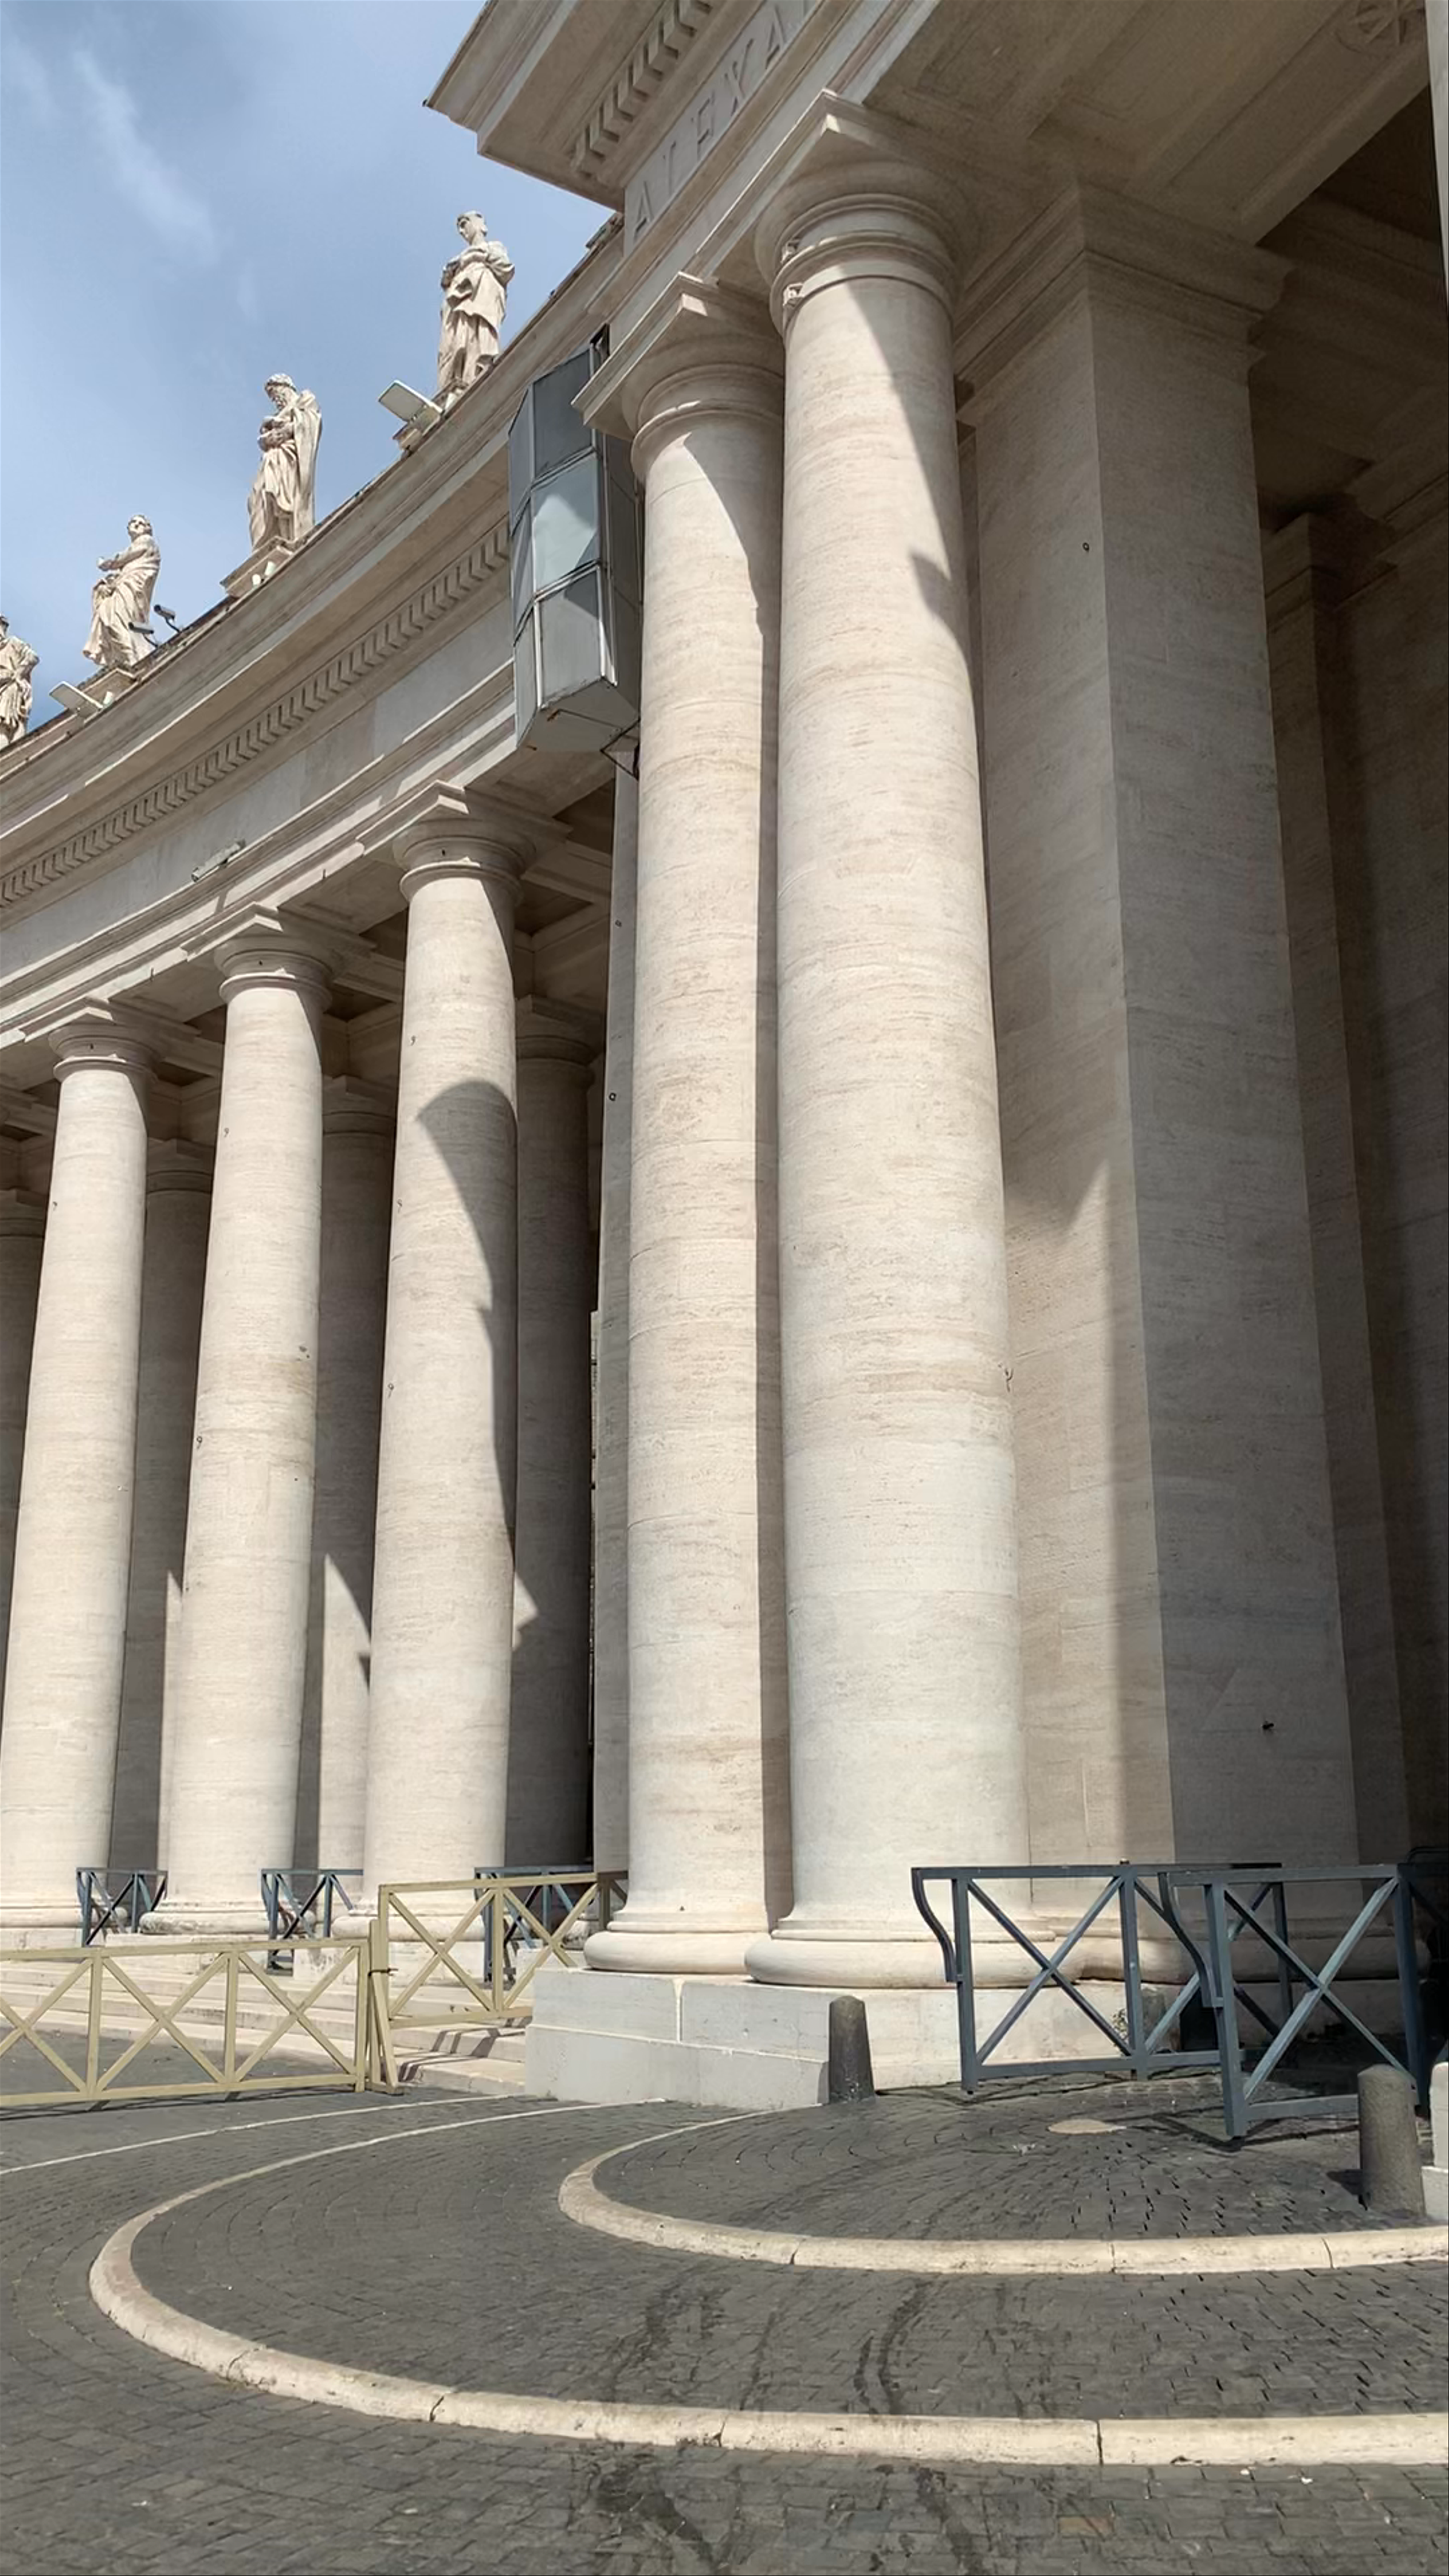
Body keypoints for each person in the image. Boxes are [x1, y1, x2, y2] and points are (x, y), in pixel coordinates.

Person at [437, 213, 514, 405]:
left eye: (466, 223)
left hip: (482, 297)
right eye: (460, 228)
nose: (463, 230)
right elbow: (445, 282)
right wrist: (452, 271)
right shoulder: (458, 259)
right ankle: (453, 385)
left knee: (479, 337)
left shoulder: (494, 247)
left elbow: (506, 269)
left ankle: (474, 377)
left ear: (482, 225)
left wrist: (480, 256)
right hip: (458, 304)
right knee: (454, 344)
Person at [247, 376, 322, 552]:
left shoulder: (305, 399)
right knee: (258, 498)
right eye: (272, 397)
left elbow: (311, 422)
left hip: (289, 460)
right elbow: (263, 440)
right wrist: (267, 438)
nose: (275, 400)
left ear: (285, 387)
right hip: (272, 460)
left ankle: (290, 539)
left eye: (276, 393)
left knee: (287, 498)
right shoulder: (273, 418)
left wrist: (287, 430)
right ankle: (267, 547)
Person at [82, 518, 160, 672]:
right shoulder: (130, 562)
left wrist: (109, 564)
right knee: (110, 617)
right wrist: (108, 584)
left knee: (119, 620)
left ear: (148, 528)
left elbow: (128, 556)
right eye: (133, 523)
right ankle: (128, 656)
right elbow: (123, 570)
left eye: (141, 523)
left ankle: (134, 657)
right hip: (125, 585)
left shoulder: (147, 541)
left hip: (133, 587)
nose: (136, 525)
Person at [0, 616, 38, 748]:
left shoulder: (12, 643)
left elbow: (32, 657)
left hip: (11, 689)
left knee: (6, 725)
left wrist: (18, 675)